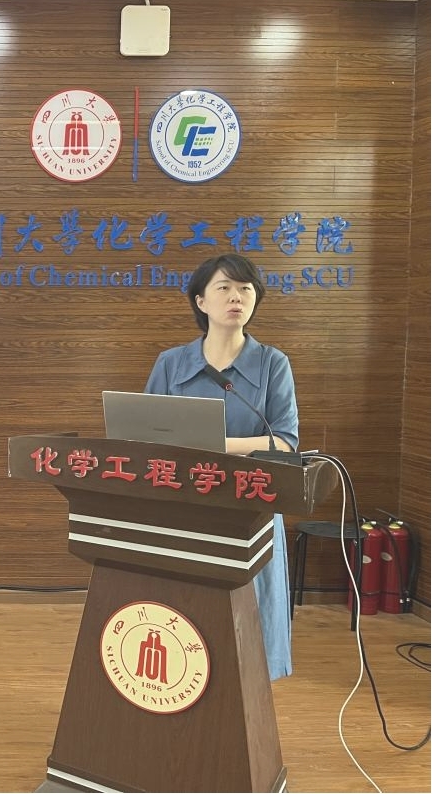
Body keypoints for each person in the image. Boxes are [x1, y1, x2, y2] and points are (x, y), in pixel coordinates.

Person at [144, 252, 299, 681]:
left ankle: (249, 698)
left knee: (250, 631)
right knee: (186, 624)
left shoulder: (272, 363)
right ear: (201, 301)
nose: (236, 297)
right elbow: (145, 434)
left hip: (251, 506)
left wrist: (218, 445)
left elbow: (285, 441)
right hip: (185, 506)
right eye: (224, 288)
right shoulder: (171, 363)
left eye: (246, 289)